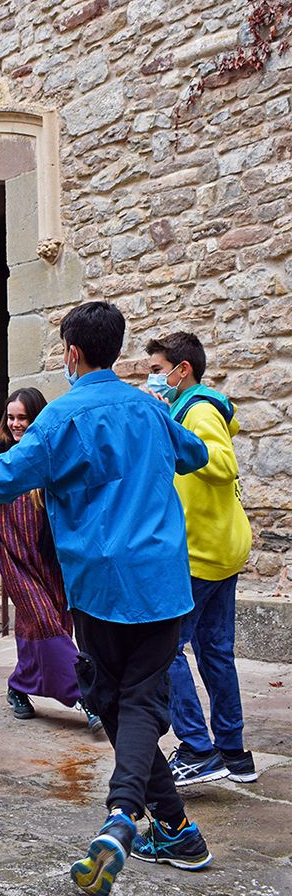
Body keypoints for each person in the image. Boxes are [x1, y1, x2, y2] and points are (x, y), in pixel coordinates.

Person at [0, 301, 213, 896]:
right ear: (117, 349)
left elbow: (2, 476)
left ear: (72, 353)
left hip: (101, 586)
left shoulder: (63, 418)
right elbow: (196, 455)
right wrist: (162, 414)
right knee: (123, 698)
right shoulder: (144, 408)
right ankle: (176, 829)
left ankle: (123, 814)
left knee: (127, 698)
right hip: (162, 579)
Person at [146, 332, 255, 785]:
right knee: (214, 652)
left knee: (162, 651)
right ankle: (234, 753)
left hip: (199, 554)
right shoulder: (190, 407)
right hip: (219, 549)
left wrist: (169, 430)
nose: (154, 377)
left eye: (157, 368)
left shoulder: (199, 409)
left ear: (182, 369)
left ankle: (196, 747)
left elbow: (222, 465)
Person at [0, 388, 100, 733]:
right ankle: (87, 696)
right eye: (11, 417)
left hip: (49, 558)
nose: (16, 424)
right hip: (12, 557)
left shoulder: (51, 455)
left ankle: (19, 686)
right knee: (44, 621)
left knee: (53, 624)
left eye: (23, 417)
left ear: (37, 418)